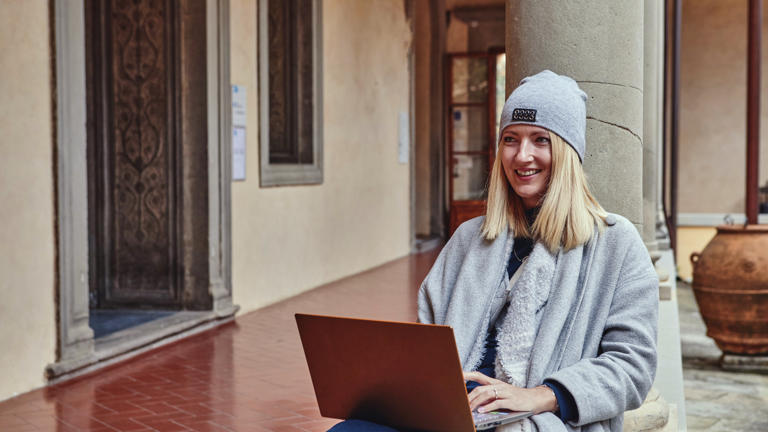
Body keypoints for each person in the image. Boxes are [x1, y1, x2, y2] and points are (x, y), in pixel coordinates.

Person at [331, 70, 658, 431]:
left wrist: (540, 395)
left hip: (536, 420)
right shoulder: (470, 238)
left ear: (567, 151)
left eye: (541, 140)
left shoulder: (615, 244)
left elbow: (633, 366)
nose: (522, 156)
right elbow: (427, 339)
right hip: (449, 413)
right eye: (510, 139)